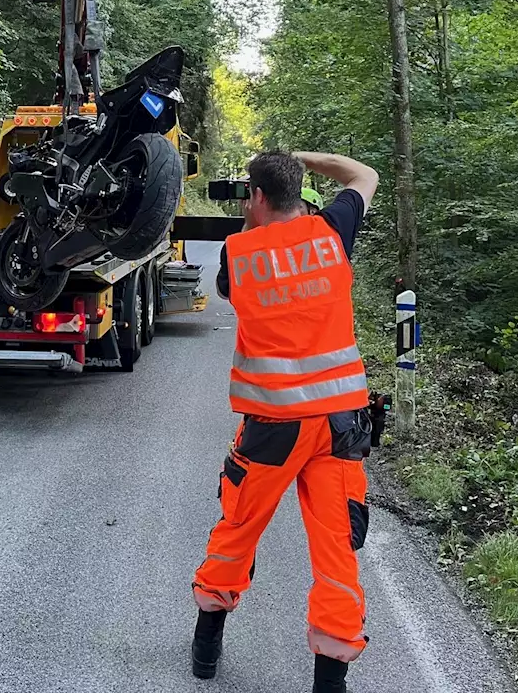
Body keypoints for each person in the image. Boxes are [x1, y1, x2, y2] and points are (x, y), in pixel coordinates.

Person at [192, 150, 379, 693]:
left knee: (238, 530)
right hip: (339, 425)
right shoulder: (332, 233)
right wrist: (302, 160)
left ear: (253, 197)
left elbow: (230, 291)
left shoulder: (238, 253)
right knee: (336, 548)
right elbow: (363, 176)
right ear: (298, 191)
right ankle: (330, 683)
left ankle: (207, 645)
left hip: (273, 427)